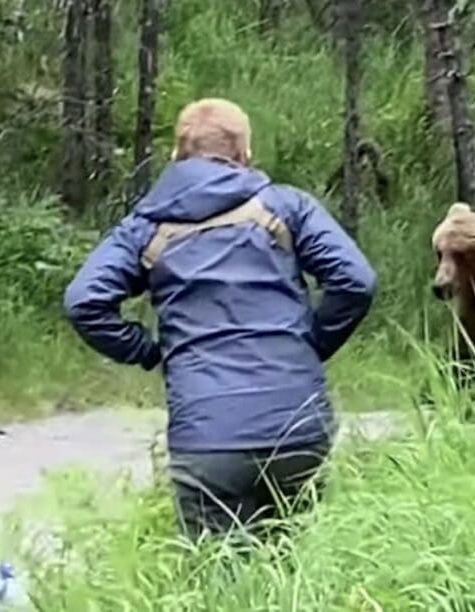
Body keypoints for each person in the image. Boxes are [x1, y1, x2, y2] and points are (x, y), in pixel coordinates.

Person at [63, 98, 377, 543]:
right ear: (245, 156)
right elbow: (356, 281)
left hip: (208, 439)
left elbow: (84, 301)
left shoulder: (146, 226)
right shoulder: (287, 207)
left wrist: (150, 351)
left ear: (176, 156)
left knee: (218, 582)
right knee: (299, 574)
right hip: (298, 428)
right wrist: (309, 345)